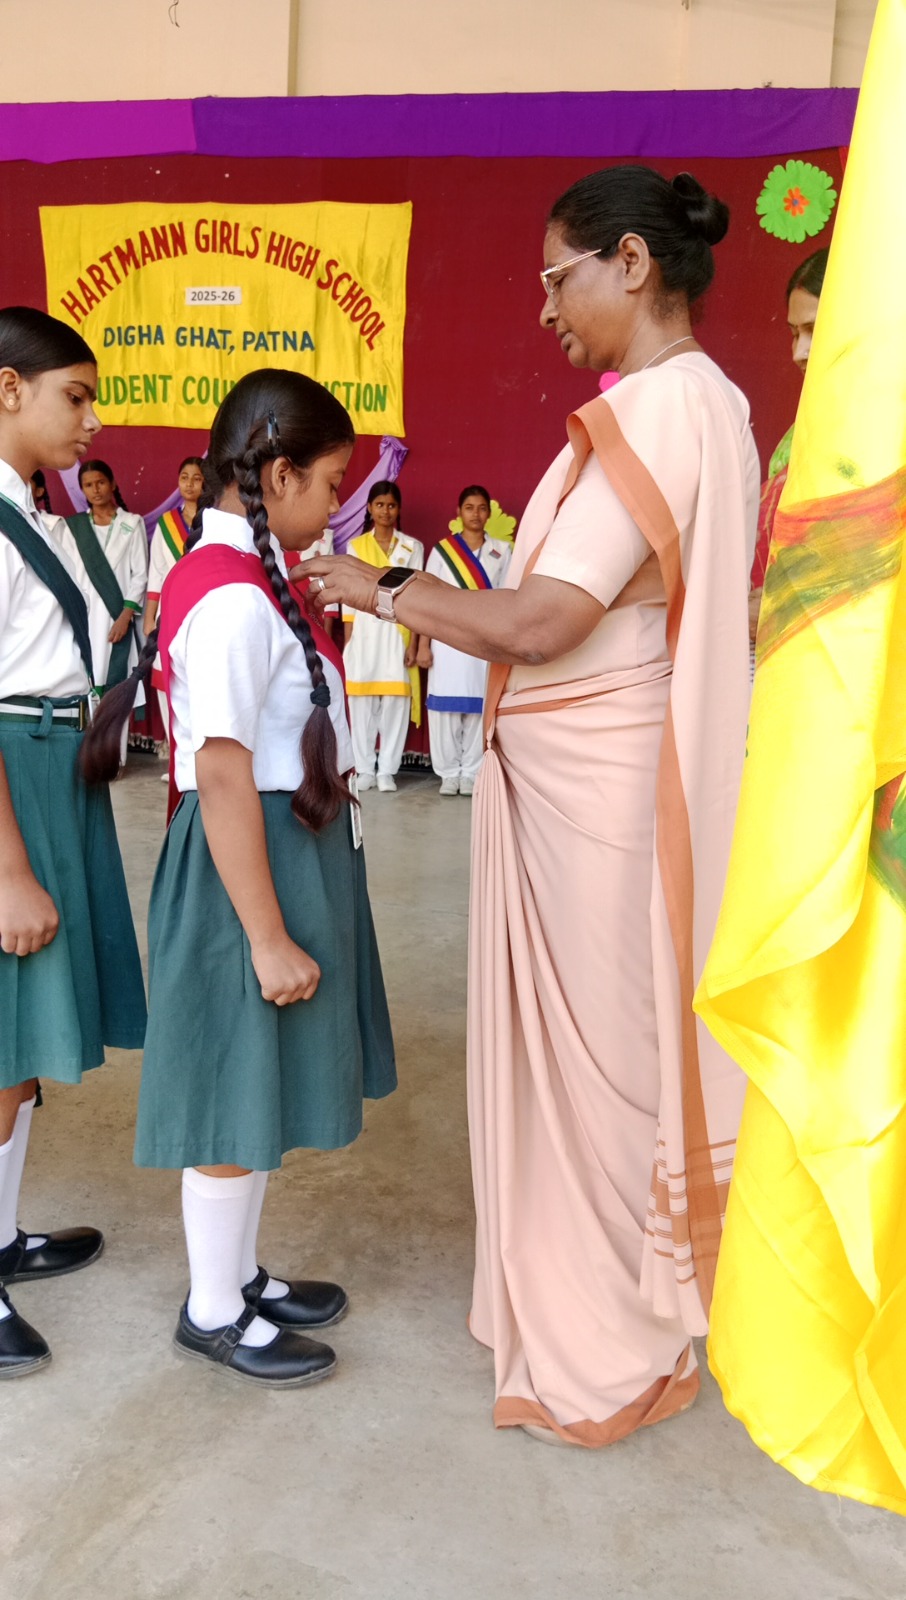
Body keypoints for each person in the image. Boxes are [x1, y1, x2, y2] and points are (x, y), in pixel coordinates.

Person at [299, 165, 759, 1445]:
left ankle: (608, 1341)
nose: (546, 311)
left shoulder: (662, 408)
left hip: (596, 802)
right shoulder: (701, 404)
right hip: (588, 786)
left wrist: (377, 585)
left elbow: (547, 619)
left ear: (630, 262)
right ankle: (623, 1307)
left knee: (600, 1083)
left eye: (558, 280)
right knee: (604, 1070)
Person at [80, 370, 396, 1388]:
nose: (337, 505)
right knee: (229, 1087)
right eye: (330, 482)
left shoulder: (252, 580)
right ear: (277, 472)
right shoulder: (225, 598)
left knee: (254, 1083)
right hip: (241, 864)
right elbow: (219, 769)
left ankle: (240, 1273)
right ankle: (212, 1306)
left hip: (272, 848)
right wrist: (264, 932)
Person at [0, 306, 146, 1378]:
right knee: (0, 1049)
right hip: (13, 784)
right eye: (75, 396)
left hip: (55, 771)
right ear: (8, 390)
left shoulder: (39, 514)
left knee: (25, 1049)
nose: (91, 421)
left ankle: (2, 1236)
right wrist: (8, 867)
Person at [749, 247, 828, 659]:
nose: (799, 352)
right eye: (795, 332)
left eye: (815, 329)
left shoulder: (888, 430)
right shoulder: (797, 436)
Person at [418, 485, 512, 795]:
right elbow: (426, 599)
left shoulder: (502, 551)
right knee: (445, 706)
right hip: (446, 638)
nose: (476, 513)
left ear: (489, 512)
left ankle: (471, 771)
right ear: (459, 513)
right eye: (469, 507)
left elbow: (507, 597)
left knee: (478, 705)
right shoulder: (443, 551)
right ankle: (447, 773)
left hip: (484, 639)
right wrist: (423, 644)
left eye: (482, 507)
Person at [342, 481, 423, 792]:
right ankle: (363, 768)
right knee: (360, 703)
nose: (385, 511)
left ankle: (387, 769)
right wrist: (349, 641)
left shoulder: (412, 548)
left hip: (397, 632)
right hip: (363, 631)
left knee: (394, 703)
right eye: (379, 505)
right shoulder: (356, 547)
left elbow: (418, 599)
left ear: (398, 509)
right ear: (369, 508)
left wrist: (414, 643)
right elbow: (348, 599)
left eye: (391, 505)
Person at [53, 459, 148, 702]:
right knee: (85, 686)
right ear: (82, 489)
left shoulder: (132, 523)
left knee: (117, 687)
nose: (95, 489)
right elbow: (66, 574)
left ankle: (116, 742)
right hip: (84, 618)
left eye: (101, 482)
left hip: (118, 617)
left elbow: (140, 575)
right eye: (88, 485)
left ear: (113, 484)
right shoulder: (72, 528)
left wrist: (124, 618)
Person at [144, 456, 205, 765]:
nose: (190, 483)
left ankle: (201, 757)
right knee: (167, 682)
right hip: (168, 612)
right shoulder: (166, 523)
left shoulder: (214, 520)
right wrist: (148, 617)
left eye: (196, 477)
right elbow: (156, 572)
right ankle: (177, 757)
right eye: (184, 477)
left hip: (204, 611)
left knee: (199, 682)